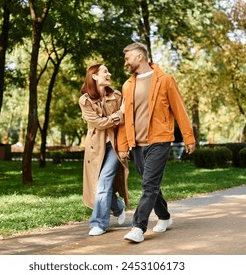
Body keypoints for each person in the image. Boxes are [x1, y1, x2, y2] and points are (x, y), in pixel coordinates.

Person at [117, 42, 196, 243]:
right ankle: (165, 216)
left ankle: (138, 227)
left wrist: (189, 137)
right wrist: (123, 145)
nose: (125, 62)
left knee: (149, 185)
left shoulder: (165, 80)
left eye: (127, 58)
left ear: (139, 57)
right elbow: (124, 118)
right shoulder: (127, 85)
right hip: (137, 143)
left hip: (159, 140)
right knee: (151, 184)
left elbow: (179, 108)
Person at [79, 64, 129, 236]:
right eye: (105, 71)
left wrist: (125, 146)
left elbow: (124, 124)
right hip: (95, 148)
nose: (109, 73)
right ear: (94, 76)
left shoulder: (116, 96)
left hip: (114, 146)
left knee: (104, 182)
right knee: (99, 184)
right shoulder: (85, 100)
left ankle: (99, 223)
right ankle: (118, 206)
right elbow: (98, 124)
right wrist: (118, 115)